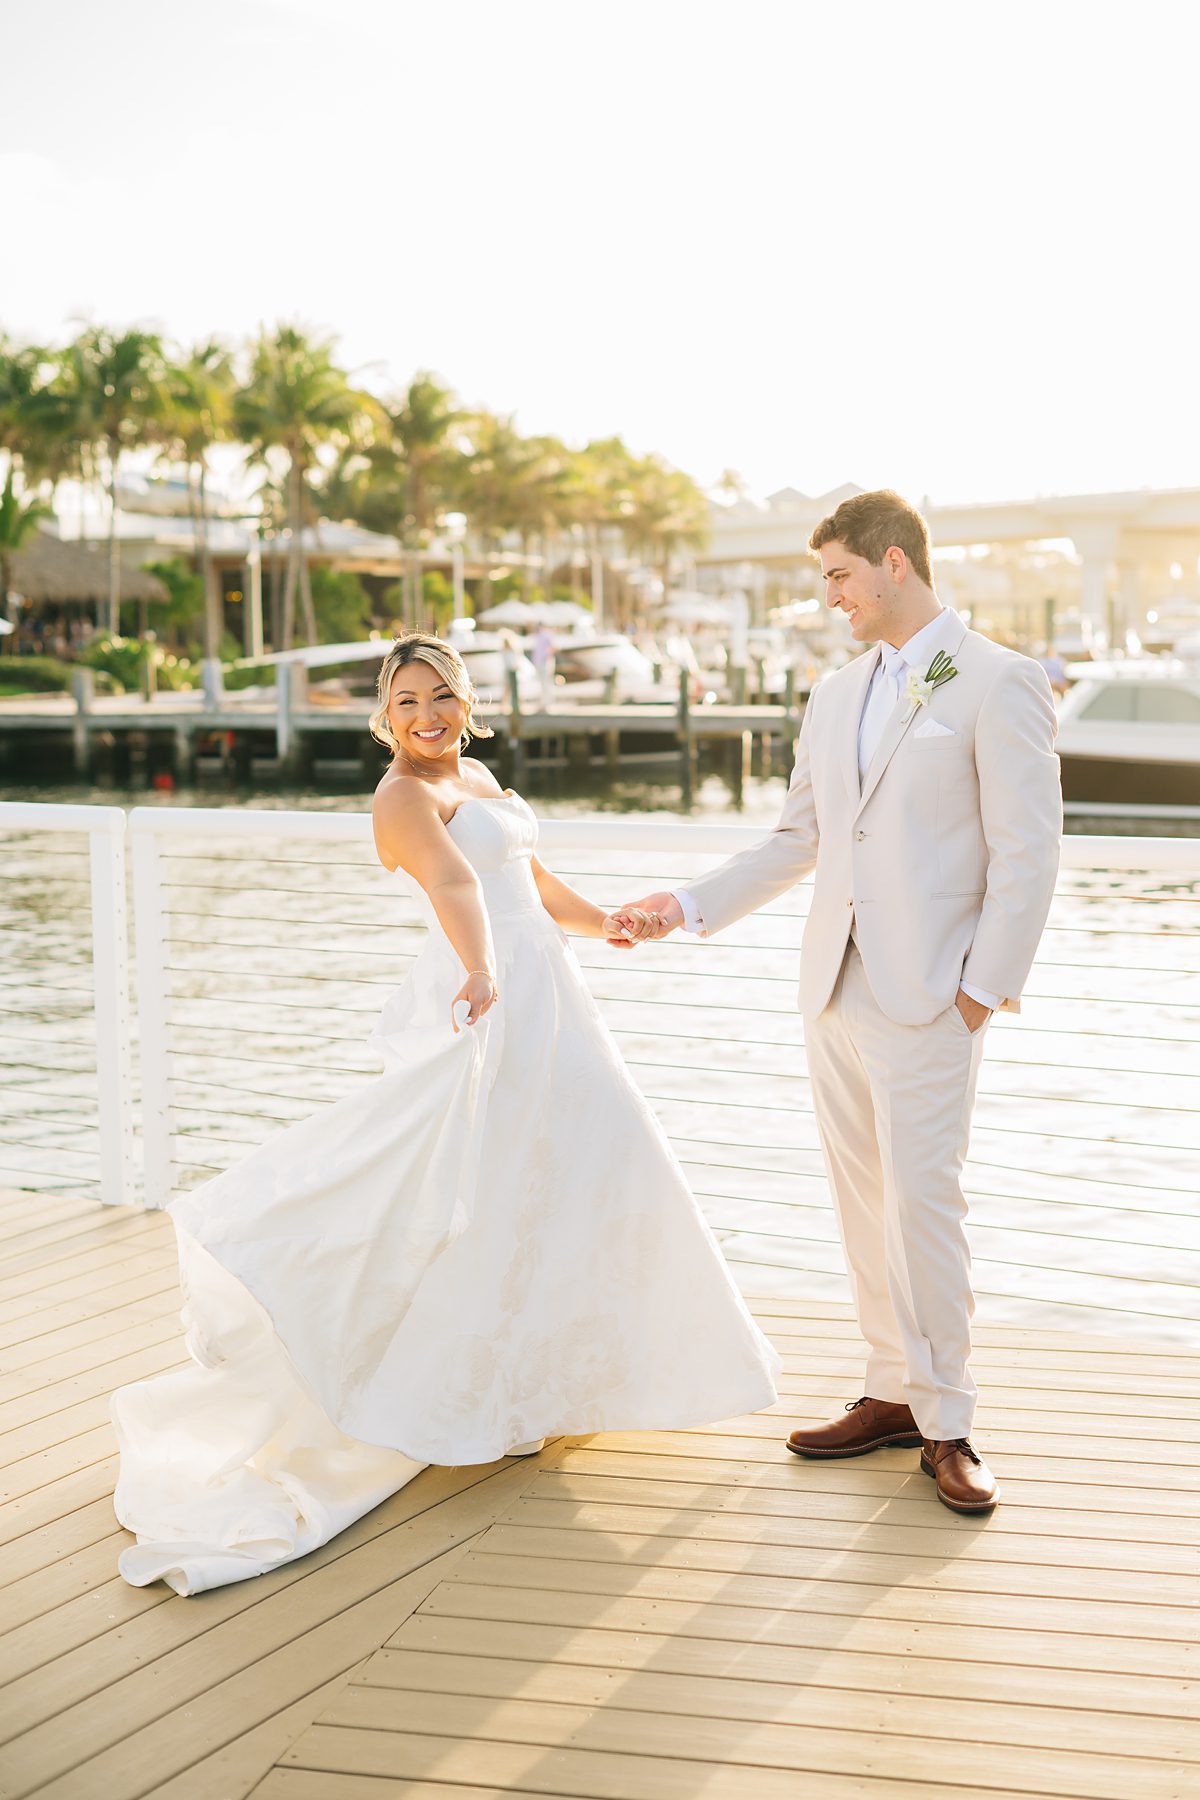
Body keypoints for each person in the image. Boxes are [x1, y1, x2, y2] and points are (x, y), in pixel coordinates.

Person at [110, 633, 778, 1595]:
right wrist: (481, 967)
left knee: (584, 1167)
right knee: (483, 1184)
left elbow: (530, 883)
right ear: (385, 717)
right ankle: (467, 1387)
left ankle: (547, 1379)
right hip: (487, 992)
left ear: (468, 701)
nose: (427, 716)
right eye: (407, 702)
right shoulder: (401, 796)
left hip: (546, 988)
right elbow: (458, 884)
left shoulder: (477, 776)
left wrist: (606, 922)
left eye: (442, 696)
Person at [615, 491, 1061, 1514]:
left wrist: (980, 991)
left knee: (924, 1207)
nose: (830, 598)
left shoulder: (998, 680)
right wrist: (684, 905)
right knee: (862, 1204)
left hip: (935, 996)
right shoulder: (834, 693)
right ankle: (891, 1389)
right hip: (833, 989)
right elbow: (800, 839)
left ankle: (949, 1421)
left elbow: (1028, 853)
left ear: (894, 563)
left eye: (838, 576)